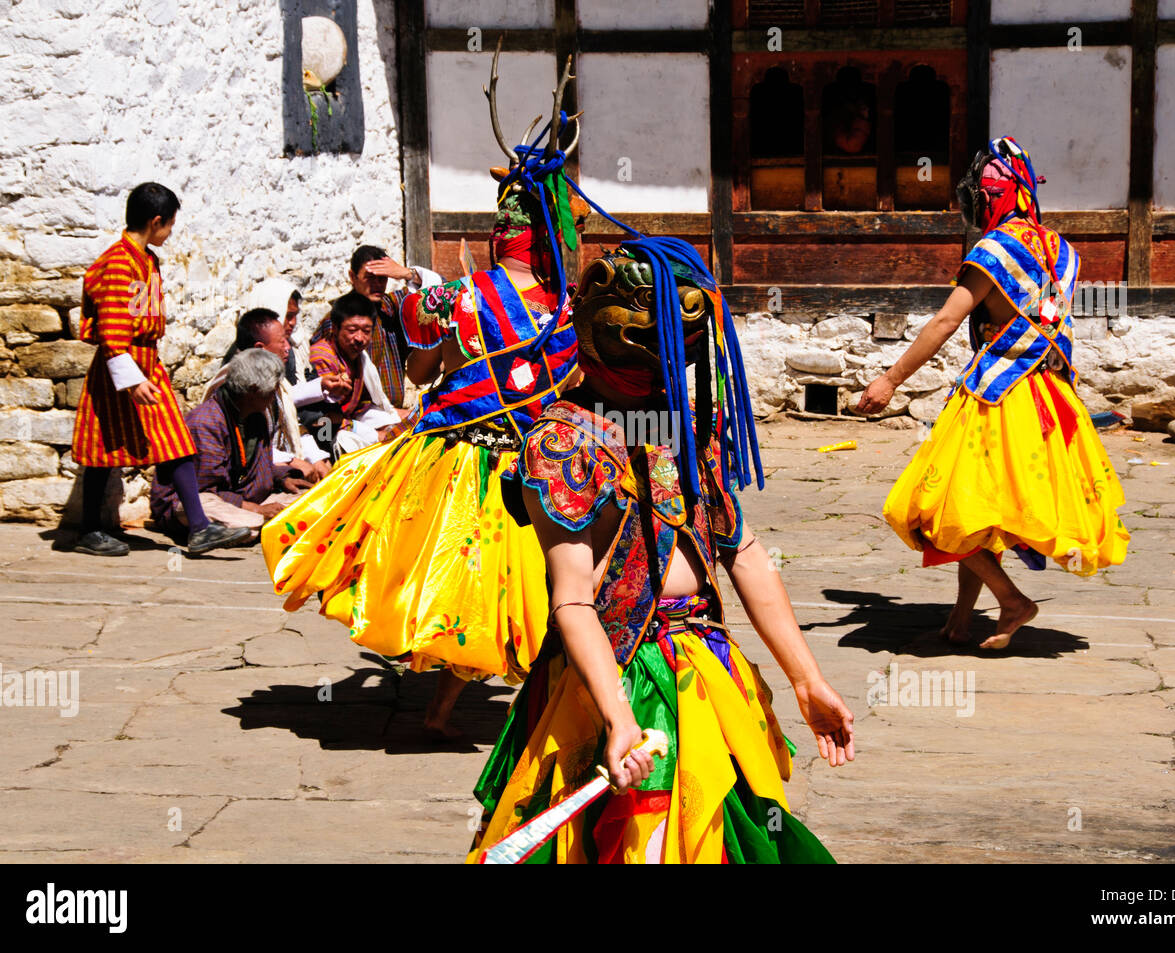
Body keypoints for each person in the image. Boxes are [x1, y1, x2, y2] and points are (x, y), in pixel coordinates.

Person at [467, 240, 856, 864]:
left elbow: (743, 552)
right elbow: (572, 600)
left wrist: (807, 680)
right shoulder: (564, 441)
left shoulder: (682, 426)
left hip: (704, 669)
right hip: (621, 680)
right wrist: (618, 718)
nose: (663, 372)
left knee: (729, 834)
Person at [262, 44, 585, 736]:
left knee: (449, 578)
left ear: (503, 233)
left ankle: (445, 702)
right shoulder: (566, 314)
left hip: (461, 457)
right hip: (538, 466)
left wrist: (422, 300)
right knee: (536, 585)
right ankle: (542, 704)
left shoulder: (468, 297)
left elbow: (417, 369)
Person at [856, 136, 1130, 650]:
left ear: (991, 196)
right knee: (983, 514)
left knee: (934, 510)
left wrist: (890, 379)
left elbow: (946, 320)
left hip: (998, 399)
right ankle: (962, 618)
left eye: (976, 197)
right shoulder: (1063, 253)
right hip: (1050, 398)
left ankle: (1012, 600)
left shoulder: (994, 249)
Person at [70, 182, 250, 557]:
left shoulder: (145, 259)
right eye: (169, 225)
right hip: (120, 366)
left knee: (176, 441)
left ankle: (200, 528)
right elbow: (113, 328)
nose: (170, 233)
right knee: (104, 449)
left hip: (146, 364)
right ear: (155, 222)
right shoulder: (119, 263)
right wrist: (131, 380)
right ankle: (89, 529)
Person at [149, 350, 306, 535]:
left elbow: (255, 469)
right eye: (272, 391)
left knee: (311, 500)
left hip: (246, 500)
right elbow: (205, 489)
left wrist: (283, 478)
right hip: (200, 503)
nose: (274, 396)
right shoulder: (206, 423)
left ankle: (268, 524)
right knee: (216, 510)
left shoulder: (257, 417)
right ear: (254, 391)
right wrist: (255, 509)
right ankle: (265, 525)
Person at [310, 246, 443, 409]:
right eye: (370, 278)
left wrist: (407, 273)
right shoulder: (337, 320)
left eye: (383, 278)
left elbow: (441, 292)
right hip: (358, 416)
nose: (378, 284)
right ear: (353, 276)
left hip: (394, 412)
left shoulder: (392, 306)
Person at [211, 309, 331, 481]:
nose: (288, 348)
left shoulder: (277, 383)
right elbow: (244, 447)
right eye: (282, 342)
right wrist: (291, 462)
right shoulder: (237, 389)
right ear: (260, 349)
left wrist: (316, 457)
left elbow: (291, 426)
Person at [306, 292, 407, 456]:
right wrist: (371, 434)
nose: (360, 338)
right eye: (352, 330)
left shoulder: (357, 355)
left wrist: (391, 416)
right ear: (336, 328)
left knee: (396, 428)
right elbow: (325, 416)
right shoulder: (323, 357)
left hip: (347, 417)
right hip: (322, 427)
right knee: (353, 444)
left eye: (366, 331)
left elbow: (360, 406)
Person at [243, 278, 309, 386]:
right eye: (288, 316)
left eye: (295, 315)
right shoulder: (246, 358)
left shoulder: (295, 344)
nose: (293, 322)